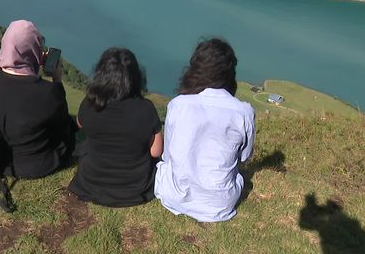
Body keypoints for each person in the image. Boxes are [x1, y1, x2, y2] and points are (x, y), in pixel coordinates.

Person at [154, 38, 255, 222]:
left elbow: (168, 156)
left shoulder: (178, 105)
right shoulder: (243, 112)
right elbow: (244, 157)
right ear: (230, 72)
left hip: (175, 197)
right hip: (221, 204)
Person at [0, 20, 75, 179]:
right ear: (35, 51)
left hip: (0, 161)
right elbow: (61, 123)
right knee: (69, 130)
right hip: (39, 166)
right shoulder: (48, 92)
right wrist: (57, 79)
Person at [68, 48, 163, 207]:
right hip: (135, 188)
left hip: (92, 182)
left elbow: (79, 123)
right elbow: (156, 151)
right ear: (135, 77)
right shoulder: (146, 109)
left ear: (101, 75)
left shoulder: (90, 104)